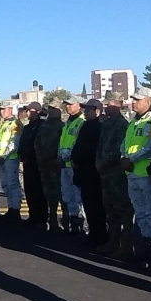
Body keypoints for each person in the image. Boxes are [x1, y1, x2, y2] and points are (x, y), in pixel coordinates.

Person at [121, 87, 151, 269]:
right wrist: (123, 157)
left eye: (137, 100)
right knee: (140, 214)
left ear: (148, 102)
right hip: (132, 174)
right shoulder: (133, 122)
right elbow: (125, 144)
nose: (133, 102)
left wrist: (131, 159)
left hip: (146, 174)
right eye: (133, 99)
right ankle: (144, 251)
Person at [96, 97, 133, 257]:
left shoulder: (122, 124)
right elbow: (101, 145)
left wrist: (105, 162)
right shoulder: (107, 124)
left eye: (109, 105)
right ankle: (113, 240)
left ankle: (126, 245)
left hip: (116, 172)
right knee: (109, 208)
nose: (105, 107)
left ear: (119, 106)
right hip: (105, 172)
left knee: (122, 209)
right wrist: (98, 160)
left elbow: (120, 148)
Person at [73, 99, 107, 245]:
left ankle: (99, 235)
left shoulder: (99, 127)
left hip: (93, 171)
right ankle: (93, 233)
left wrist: (80, 159)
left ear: (97, 111)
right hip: (83, 170)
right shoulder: (85, 125)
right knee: (88, 204)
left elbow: (93, 149)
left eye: (88, 109)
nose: (85, 112)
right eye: (85, 109)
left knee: (96, 205)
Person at [58, 96, 87, 234]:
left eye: (70, 104)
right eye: (66, 104)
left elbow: (76, 143)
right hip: (65, 165)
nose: (67, 107)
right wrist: (60, 156)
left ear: (79, 105)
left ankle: (82, 225)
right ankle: (73, 223)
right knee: (67, 195)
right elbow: (62, 142)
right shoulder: (67, 122)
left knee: (78, 196)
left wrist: (65, 157)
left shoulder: (81, 122)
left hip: (73, 164)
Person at [18, 102, 48, 228]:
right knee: (29, 189)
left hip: (36, 162)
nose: (27, 113)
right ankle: (33, 215)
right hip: (27, 162)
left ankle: (41, 218)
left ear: (36, 111)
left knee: (38, 191)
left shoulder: (41, 126)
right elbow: (23, 142)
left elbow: (37, 145)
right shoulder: (28, 127)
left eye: (29, 110)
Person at [35, 103, 64, 231]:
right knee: (47, 195)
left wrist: (53, 157)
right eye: (50, 109)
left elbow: (62, 145)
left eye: (54, 108)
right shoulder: (44, 126)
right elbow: (37, 143)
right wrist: (40, 157)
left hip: (56, 165)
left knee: (60, 195)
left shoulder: (62, 126)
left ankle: (65, 223)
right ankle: (51, 221)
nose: (51, 111)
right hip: (44, 165)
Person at [0, 104, 23, 220]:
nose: (1, 112)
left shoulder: (15, 123)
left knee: (13, 184)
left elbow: (14, 143)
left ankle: (15, 209)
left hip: (10, 158)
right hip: (1, 158)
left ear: (10, 109)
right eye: (0, 109)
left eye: (4, 109)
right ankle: (10, 207)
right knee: (5, 185)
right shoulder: (2, 123)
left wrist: (4, 156)